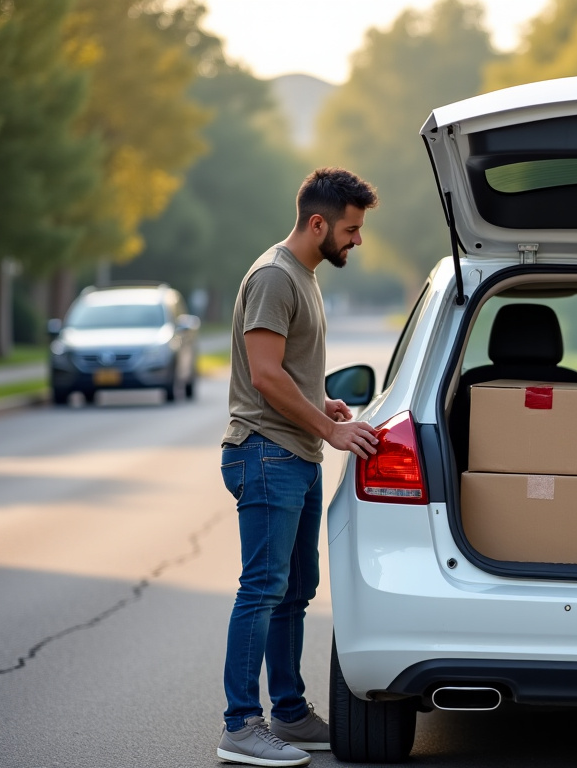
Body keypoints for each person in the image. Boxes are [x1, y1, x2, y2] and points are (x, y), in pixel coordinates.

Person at [216, 167, 381, 767]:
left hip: (294, 453)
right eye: (352, 229)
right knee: (261, 590)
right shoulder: (273, 278)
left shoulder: (304, 276)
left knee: (295, 591)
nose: (357, 240)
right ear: (319, 223)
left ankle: (287, 713)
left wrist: (321, 403)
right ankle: (240, 725)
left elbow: (287, 370)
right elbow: (263, 374)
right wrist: (332, 428)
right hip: (265, 453)